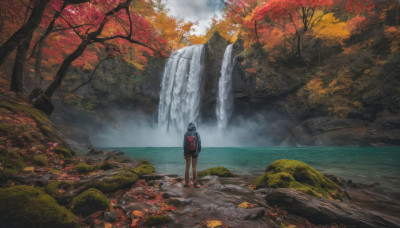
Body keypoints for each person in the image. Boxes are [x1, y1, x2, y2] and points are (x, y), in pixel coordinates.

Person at [183, 122, 201, 188]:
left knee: (187, 167)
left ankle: (186, 182)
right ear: (194, 127)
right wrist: (198, 151)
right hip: (195, 153)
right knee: (194, 167)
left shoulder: (186, 134)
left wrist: (185, 153)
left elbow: (185, 145)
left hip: (188, 153)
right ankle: (195, 183)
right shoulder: (196, 133)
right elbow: (199, 143)